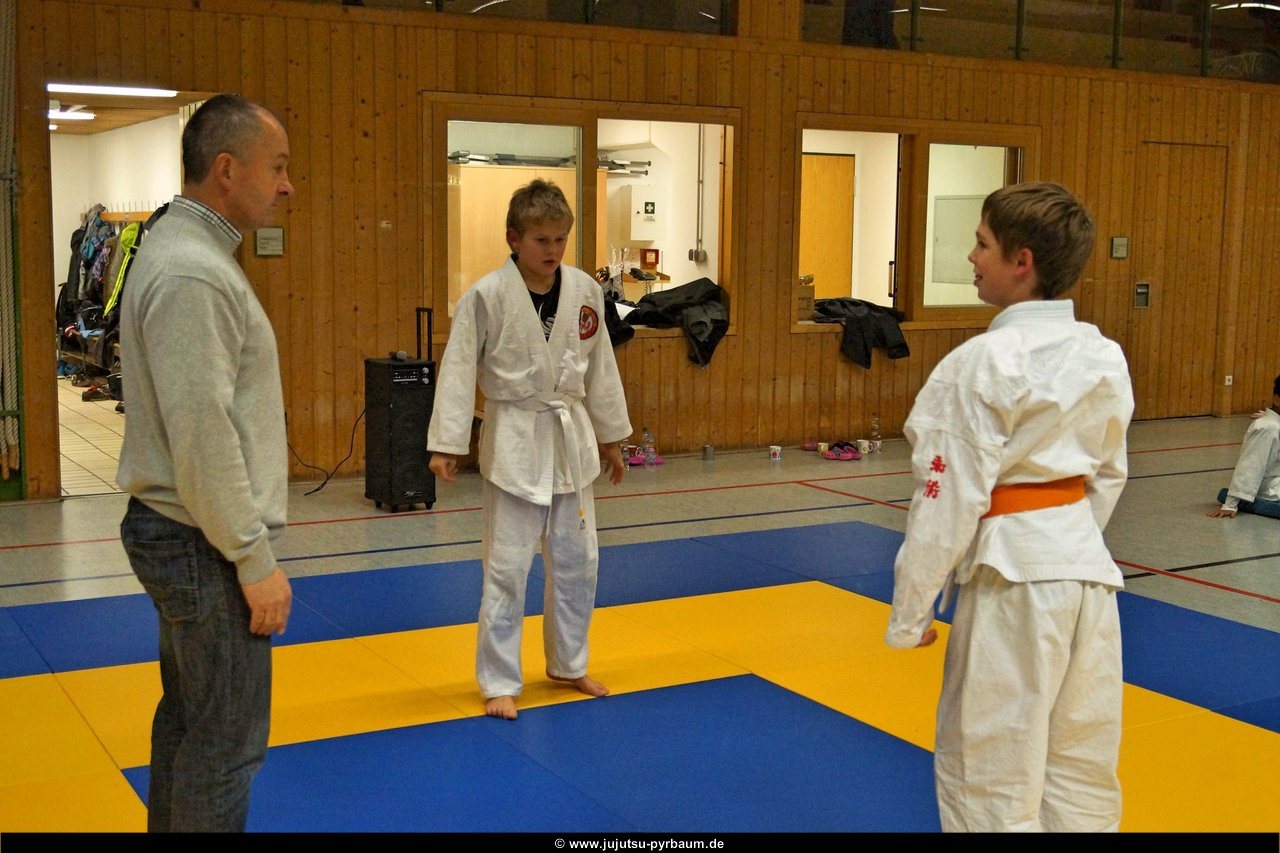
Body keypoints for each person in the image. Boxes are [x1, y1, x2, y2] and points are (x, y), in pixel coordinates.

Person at [885, 182, 1134, 832]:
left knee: (989, 778)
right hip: (1086, 578)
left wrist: (912, 610)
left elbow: (947, 497)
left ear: (1021, 261)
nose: (971, 258)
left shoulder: (982, 361)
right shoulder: (1103, 354)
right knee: (1079, 770)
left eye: (982, 244)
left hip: (1011, 585)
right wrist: (1064, 542)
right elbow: (1109, 473)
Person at [116, 93, 294, 832]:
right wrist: (253, 557)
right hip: (205, 540)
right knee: (224, 748)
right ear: (227, 169)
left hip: (188, 531)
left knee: (191, 727)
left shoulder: (187, 252)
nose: (287, 185)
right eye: (276, 167)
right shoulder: (192, 271)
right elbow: (202, 436)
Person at [428, 179, 631, 721]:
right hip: (515, 440)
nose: (553, 250)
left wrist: (612, 438)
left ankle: (569, 663)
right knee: (506, 567)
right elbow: (458, 368)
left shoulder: (585, 291)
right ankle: (499, 680)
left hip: (571, 440)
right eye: (542, 239)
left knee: (579, 563)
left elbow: (601, 367)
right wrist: (447, 442)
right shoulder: (486, 296)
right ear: (514, 238)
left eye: (561, 239)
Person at [1207, 374, 1280, 518]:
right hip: (1270, 490)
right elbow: (1251, 465)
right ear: (1277, 400)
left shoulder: (1273, 424)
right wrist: (1230, 504)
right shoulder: (1267, 427)